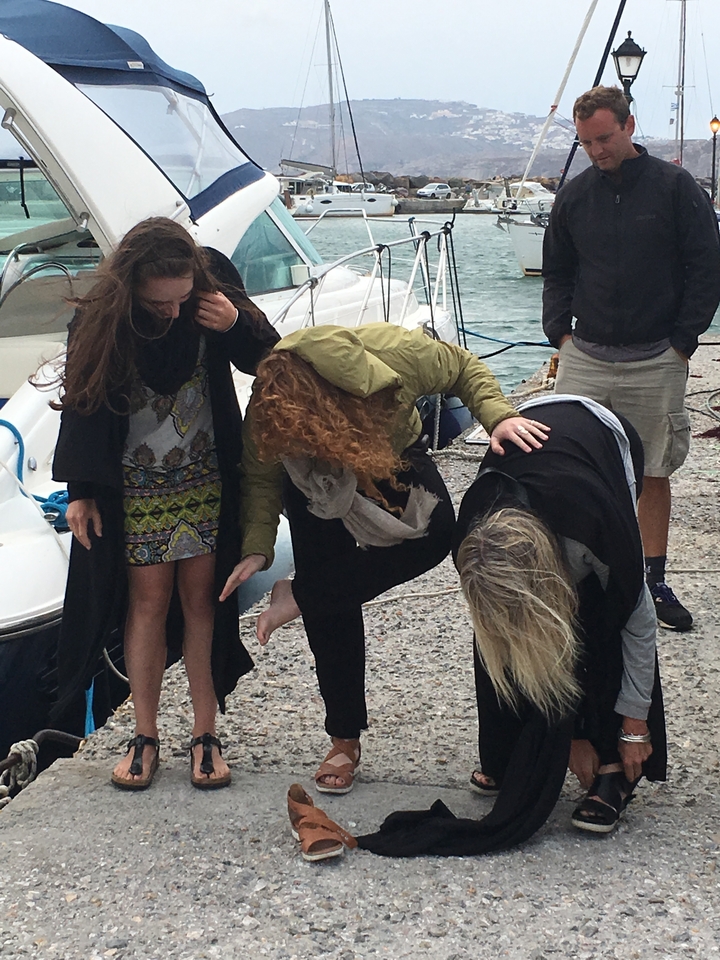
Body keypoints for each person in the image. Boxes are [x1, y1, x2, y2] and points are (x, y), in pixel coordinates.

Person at [221, 323, 550, 796]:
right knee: (331, 605)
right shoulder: (268, 408)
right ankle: (344, 737)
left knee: (438, 537)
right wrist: (257, 547)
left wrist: (497, 415)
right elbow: (259, 479)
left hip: (385, 449)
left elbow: (462, 366)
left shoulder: (394, 355)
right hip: (314, 482)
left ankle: (301, 592)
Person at [354, 397, 667, 858]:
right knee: (502, 634)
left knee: (599, 624)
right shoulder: (472, 538)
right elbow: (504, 630)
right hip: (524, 448)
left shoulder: (592, 535)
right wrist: (566, 739)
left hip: (604, 440)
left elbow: (638, 625)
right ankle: (508, 751)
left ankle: (613, 771)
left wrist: (633, 724)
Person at [51, 217, 278, 790]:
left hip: (206, 476)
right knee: (146, 603)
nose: (174, 312)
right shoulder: (104, 314)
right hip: (137, 484)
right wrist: (80, 491)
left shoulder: (213, 283)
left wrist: (235, 323)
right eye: (160, 304)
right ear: (132, 288)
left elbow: (269, 360)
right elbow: (82, 395)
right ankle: (145, 734)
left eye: (182, 299)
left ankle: (206, 734)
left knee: (203, 601)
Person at [542, 84, 720, 631]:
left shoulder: (675, 188)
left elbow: (706, 266)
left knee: (652, 471)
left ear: (629, 125)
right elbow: (558, 272)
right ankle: (576, 578)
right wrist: (560, 336)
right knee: (571, 468)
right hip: (586, 355)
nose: (596, 150)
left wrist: (683, 342)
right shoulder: (574, 197)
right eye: (586, 142)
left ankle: (652, 580)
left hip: (655, 358)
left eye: (604, 138)